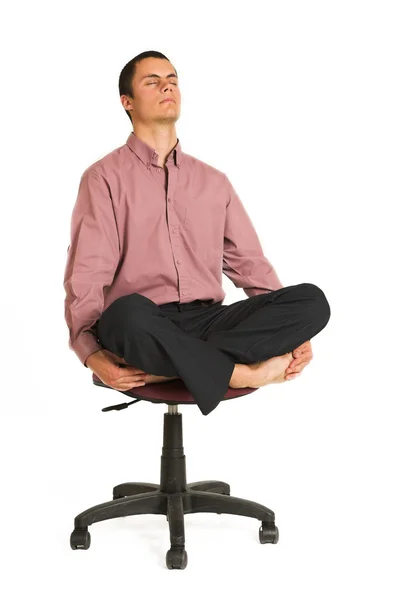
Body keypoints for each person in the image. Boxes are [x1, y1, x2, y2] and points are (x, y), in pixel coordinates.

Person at [63, 50, 331, 416]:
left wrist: (295, 331)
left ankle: (165, 371)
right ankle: (237, 373)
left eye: (172, 79)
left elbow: (249, 263)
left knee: (311, 302)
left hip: (207, 322)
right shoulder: (103, 178)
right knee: (125, 314)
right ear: (126, 101)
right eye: (152, 81)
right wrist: (90, 352)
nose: (166, 86)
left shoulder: (213, 182)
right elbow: (88, 271)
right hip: (143, 326)